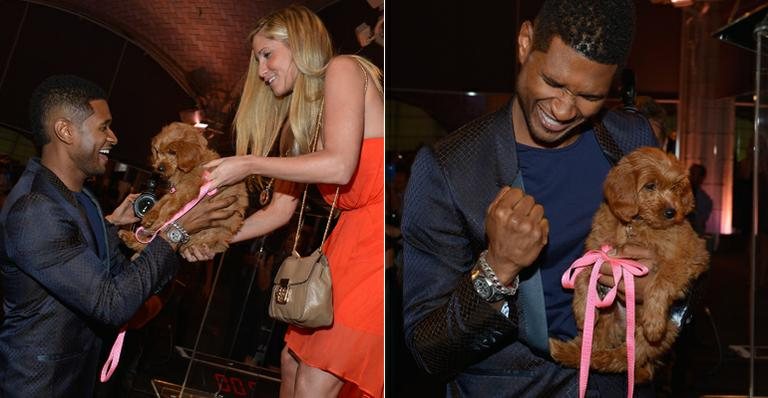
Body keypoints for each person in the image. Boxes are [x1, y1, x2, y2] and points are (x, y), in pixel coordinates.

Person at [400, 1, 678, 396]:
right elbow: (427, 350)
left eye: (589, 96)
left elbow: (689, 267)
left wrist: (662, 282)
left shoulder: (632, 142)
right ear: (525, 42)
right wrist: (496, 270)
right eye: (553, 82)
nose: (564, 110)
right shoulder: (450, 170)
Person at [181, 6, 383, 397]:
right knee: (291, 364)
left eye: (267, 53)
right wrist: (215, 238)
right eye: (257, 58)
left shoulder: (342, 69)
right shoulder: (304, 119)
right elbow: (278, 211)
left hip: (374, 249)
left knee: (313, 379)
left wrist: (248, 163)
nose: (261, 70)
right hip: (344, 247)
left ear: (300, 45)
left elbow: (341, 166)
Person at [0, 75, 237, 397]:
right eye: (103, 127)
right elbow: (111, 304)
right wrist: (177, 231)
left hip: (77, 382)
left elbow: (109, 273)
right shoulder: (34, 209)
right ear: (65, 131)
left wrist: (127, 232)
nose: (113, 136)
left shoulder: (81, 198)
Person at [687, 163, 713, 236]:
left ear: (702, 178)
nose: (691, 176)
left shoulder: (706, 200)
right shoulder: (677, 193)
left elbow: (701, 222)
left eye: (695, 174)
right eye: (691, 173)